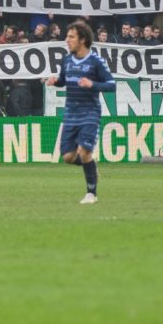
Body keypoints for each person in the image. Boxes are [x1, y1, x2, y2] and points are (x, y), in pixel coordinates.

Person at [45, 21, 116, 204]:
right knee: (68, 157)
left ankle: (91, 194)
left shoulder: (96, 61)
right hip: (70, 114)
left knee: (84, 151)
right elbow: (63, 80)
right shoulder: (67, 60)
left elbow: (111, 85)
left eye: (71, 37)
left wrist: (92, 84)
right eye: (67, 36)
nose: (67, 40)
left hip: (90, 113)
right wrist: (55, 81)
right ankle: (91, 165)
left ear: (82, 39)